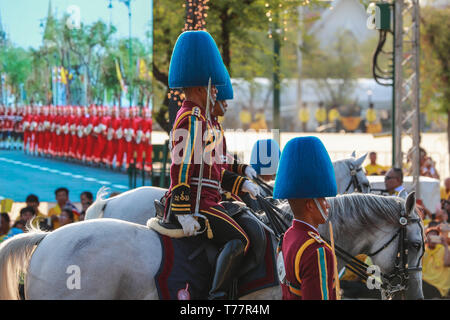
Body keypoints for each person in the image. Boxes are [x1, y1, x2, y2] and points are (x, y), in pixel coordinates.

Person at [164, 30, 260, 300]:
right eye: (213, 87)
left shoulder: (202, 121)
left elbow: (215, 169)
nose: (217, 92)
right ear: (198, 88)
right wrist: (183, 210)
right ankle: (217, 296)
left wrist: (243, 180)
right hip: (197, 203)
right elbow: (181, 168)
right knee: (240, 239)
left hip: (207, 198)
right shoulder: (192, 119)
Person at [274, 136, 338, 300]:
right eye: (323, 199)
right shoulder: (317, 251)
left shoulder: (288, 236)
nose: (327, 205)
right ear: (310, 205)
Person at [422, 223, 450, 299]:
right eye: (430, 235)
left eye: (435, 235)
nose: (433, 237)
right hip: (423, 282)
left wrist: (446, 245)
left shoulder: (445, 249)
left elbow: (447, 263)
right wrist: (423, 243)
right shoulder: (423, 251)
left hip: (438, 286)